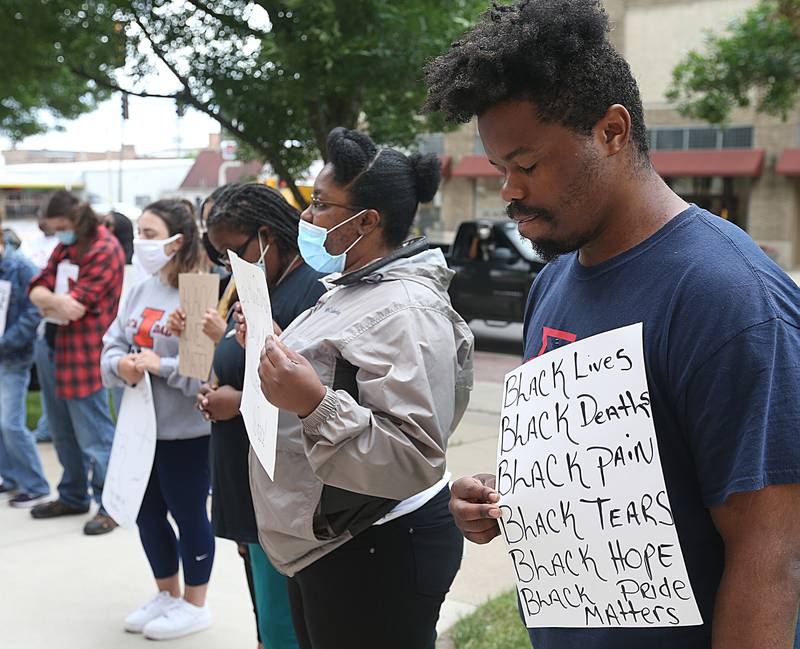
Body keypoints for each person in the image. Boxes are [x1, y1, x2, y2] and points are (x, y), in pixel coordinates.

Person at [424, 2, 800, 648]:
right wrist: (505, 495)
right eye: (498, 169)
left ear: (612, 131)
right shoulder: (551, 283)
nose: (509, 189)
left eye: (528, 163)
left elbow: (771, 556)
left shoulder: (729, 299)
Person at [244, 128, 474, 649]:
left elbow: (412, 455)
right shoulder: (355, 286)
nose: (305, 217)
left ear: (366, 221)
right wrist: (276, 346)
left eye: (320, 204)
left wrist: (312, 404)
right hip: (331, 543)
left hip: (376, 545)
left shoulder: (407, 310)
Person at [168, 182, 325, 649]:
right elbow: (233, 362)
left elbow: (316, 387)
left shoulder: (308, 287)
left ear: (265, 236)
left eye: (233, 251)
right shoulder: (263, 283)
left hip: (283, 478)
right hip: (243, 465)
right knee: (265, 604)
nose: (227, 266)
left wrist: (235, 402)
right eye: (219, 256)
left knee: (286, 615)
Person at [100, 199, 214, 641]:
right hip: (139, 427)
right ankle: (166, 594)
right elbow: (111, 343)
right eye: (140, 233)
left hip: (185, 432)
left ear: (177, 240)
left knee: (188, 514)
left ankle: (195, 603)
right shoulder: (139, 287)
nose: (139, 243)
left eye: (149, 234)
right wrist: (121, 365)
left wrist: (156, 365)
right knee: (146, 514)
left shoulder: (199, 290)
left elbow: (200, 373)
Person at [28, 190, 124, 535]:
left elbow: (76, 306)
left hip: (85, 354)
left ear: (75, 220)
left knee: (96, 435)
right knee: (62, 432)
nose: (56, 234)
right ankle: (72, 494)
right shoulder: (68, 247)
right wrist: (52, 300)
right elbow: (36, 286)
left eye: (59, 227)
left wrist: (47, 300)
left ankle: (110, 504)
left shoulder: (104, 248)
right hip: (53, 347)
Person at [0, 226, 49, 507]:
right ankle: (10, 478)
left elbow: (33, 314)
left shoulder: (22, 267)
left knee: (11, 423)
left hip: (14, 355)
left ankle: (36, 485)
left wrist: (6, 342)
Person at [20, 213, 59, 443]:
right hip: (32, 318)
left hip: (52, 319)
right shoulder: (31, 243)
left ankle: (49, 426)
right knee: (41, 379)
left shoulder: (61, 245)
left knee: (51, 381)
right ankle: (45, 427)